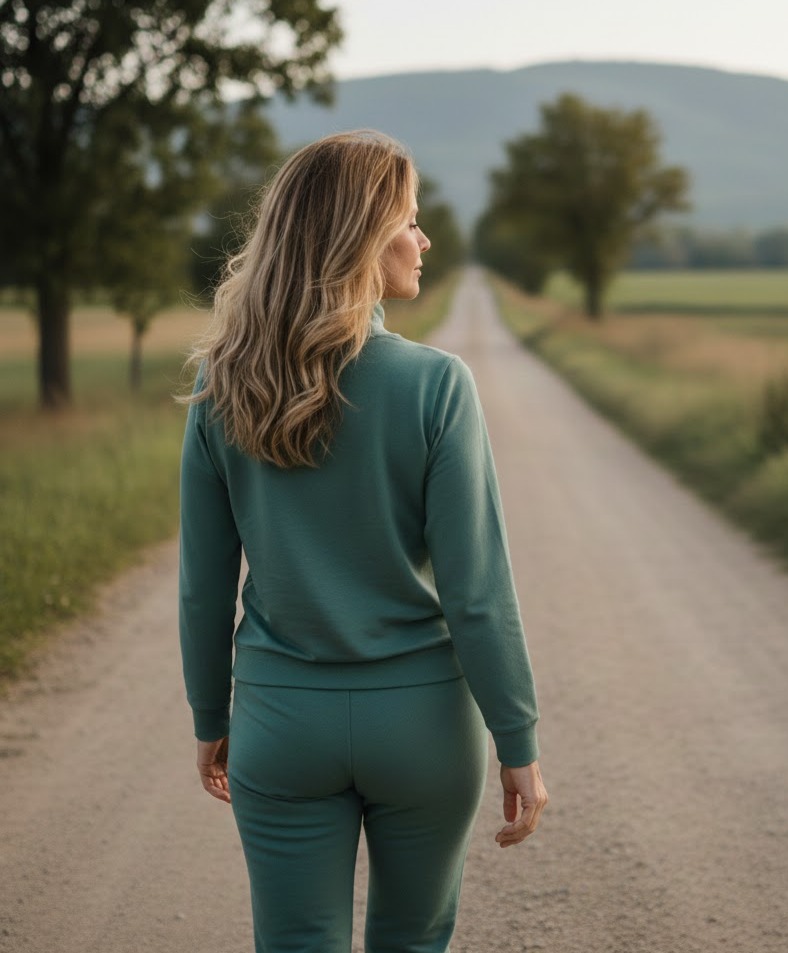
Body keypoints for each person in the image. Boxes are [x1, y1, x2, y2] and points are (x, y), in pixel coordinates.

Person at [177, 130, 547, 953]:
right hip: (423, 727)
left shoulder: (221, 389)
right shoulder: (436, 385)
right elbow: (476, 593)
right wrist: (516, 738)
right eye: (407, 222)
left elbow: (204, 585)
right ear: (356, 238)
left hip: (280, 723)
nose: (424, 240)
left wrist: (210, 713)